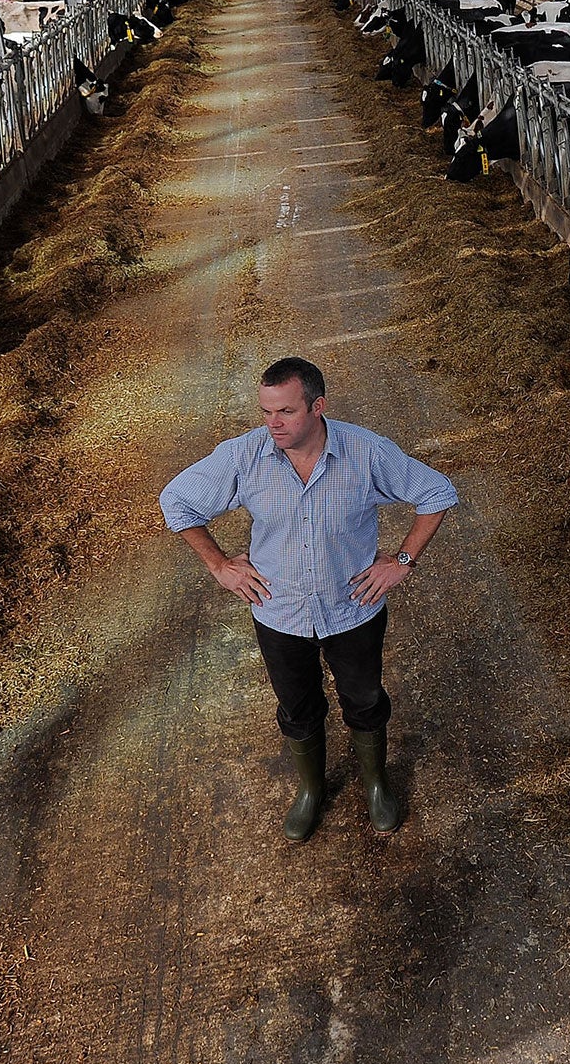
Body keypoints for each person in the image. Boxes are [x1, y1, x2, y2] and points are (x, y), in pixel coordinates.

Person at [160, 357, 457, 842]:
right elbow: (177, 500)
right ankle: (311, 788)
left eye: (286, 411)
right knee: (297, 707)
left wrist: (401, 562)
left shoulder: (365, 452)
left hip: (352, 609)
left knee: (364, 699)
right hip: (279, 611)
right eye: (265, 411)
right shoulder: (244, 456)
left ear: (317, 407)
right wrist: (218, 565)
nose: (273, 423)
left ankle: (376, 784)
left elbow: (436, 492)